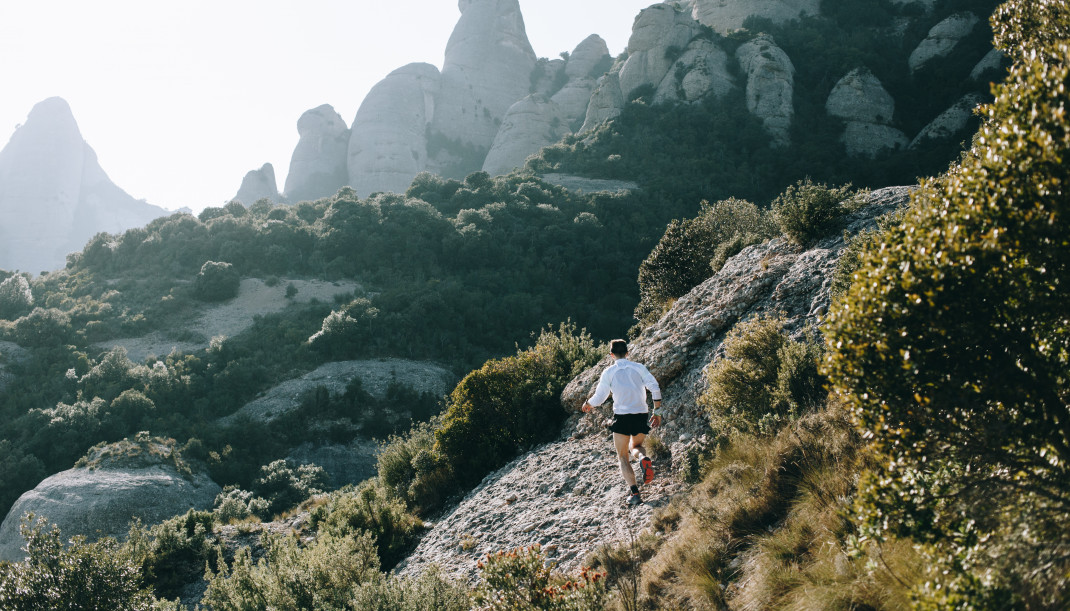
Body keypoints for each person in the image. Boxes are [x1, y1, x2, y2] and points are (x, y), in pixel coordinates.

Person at [581, 339, 663, 506]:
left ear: (611, 355)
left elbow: (601, 396)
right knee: (636, 446)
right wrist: (657, 412)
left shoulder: (609, 372)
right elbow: (655, 387)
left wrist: (588, 403)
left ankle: (635, 493)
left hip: (622, 417)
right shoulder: (639, 368)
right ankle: (643, 458)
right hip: (641, 414)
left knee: (622, 456)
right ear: (627, 352)